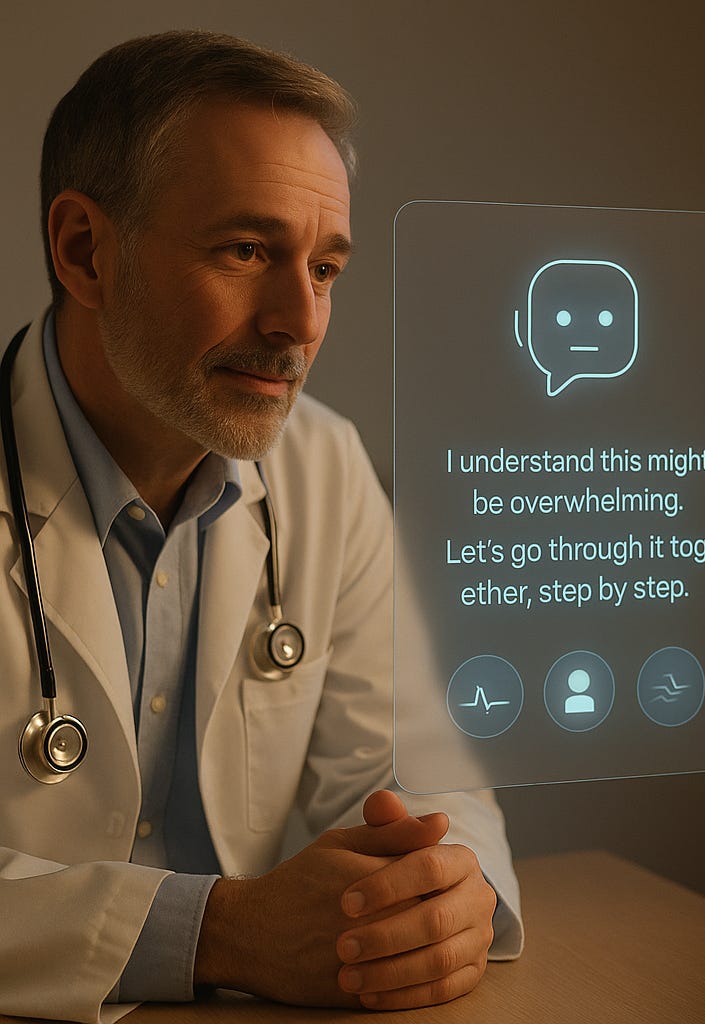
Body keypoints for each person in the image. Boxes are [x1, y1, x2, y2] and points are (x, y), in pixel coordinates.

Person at [0, 30, 522, 1022]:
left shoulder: (324, 466)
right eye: (245, 251)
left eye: (324, 268)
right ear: (84, 252)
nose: (301, 321)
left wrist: (443, 893)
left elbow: (412, 771)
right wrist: (224, 932)